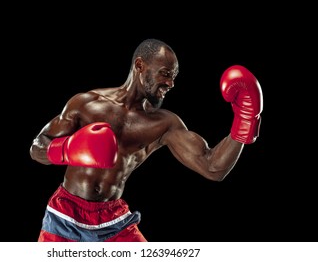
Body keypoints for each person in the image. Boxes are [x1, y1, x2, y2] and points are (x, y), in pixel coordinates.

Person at [29, 38, 263, 242]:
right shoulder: (86, 104)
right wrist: (67, 149)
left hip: (113, 223)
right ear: (140, 65)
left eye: (174, 77)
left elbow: (212, 168)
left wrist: (245, 121)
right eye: (165, 74)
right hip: (64, 216)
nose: (170, 84)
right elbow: (37, 147)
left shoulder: (163, 124)